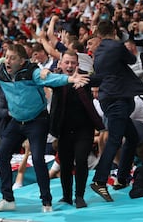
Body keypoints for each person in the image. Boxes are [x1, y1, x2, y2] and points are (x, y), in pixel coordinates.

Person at [0, 44, 89, 212]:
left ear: (21, 61)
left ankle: (46, 202)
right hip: (17, 122)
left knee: (37, 159)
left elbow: (50, 79)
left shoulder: (31, 73)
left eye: (12, 58)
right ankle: (8, 199)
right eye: (7, 56)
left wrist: (70, 79)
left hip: (37, 121)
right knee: (2, 154)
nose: (8, 60)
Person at [89, 20, 143, 202]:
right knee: (114, 140)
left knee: (131, 137)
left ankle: (122, 178)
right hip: (117, 99)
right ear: (114, 31)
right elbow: (132, 59)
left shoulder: (98, 51)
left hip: (107, 98)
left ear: (98, 34)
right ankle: (100, 180)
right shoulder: (116, 46)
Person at [49, 50, 104, 208]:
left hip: (84, 129)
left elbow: (100, 78)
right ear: (61, 64)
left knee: (81, 160)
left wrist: (82, 82)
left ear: (77, 65)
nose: (70, 65)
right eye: (67, 62)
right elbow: (42, 79)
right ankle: (66, 196)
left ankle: (79, 195)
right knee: (65, 164)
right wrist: (46, 71)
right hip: (64, 129)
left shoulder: (85, 77)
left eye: (73, 62)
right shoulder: (57, 79)